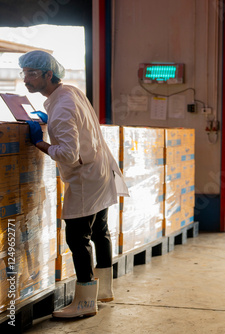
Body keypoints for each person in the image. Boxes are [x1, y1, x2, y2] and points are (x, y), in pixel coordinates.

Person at [19, 50, 129, 318]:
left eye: (32, 74)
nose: (26, 79)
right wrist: (49, 120)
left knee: (77, 238)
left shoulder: (62, 106)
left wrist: (39, 142)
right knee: (100, 230)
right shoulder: (70, 92)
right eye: (24, 73)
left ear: (49, 74)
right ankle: (104, 290)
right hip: (100, 171)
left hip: (85, 179)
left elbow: (68, 153)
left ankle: (84, 303)